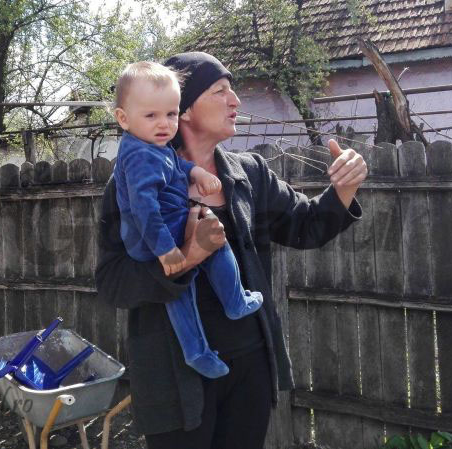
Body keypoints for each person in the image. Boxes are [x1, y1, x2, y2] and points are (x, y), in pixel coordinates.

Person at [95, 52, 366, 449]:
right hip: (174, 380)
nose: (235, 100)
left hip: (250, 368)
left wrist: (344, 188)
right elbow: (113, 283)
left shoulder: (249, 173)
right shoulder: (131, 184)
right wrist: (187, 256)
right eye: (220, 90)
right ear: (185, 110)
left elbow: (306, 226)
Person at [111, 61, 263, 380]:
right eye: (151, 115)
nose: (164, 123)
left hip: (166, 226)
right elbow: (144, 209)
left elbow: (175, 166)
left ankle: (200, 347)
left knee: (184, 289)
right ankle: (232, 304)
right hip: (156, 235)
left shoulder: (153, 146)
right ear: (123, 118)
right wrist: (168, 251)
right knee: (210, 251)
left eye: (170, 114)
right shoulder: (139, 156)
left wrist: (196, 173)